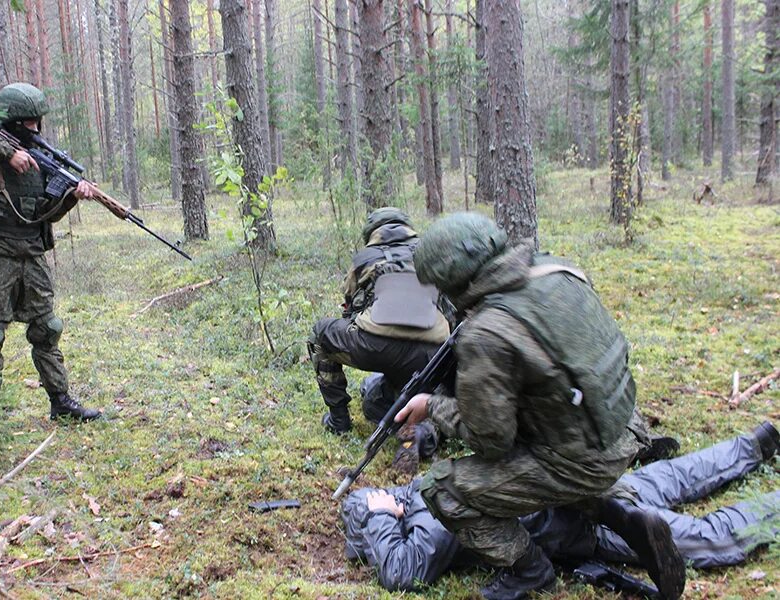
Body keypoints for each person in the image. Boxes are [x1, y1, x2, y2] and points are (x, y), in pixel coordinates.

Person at [393, 212, 684, 600]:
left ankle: (528, 570)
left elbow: (491, 440)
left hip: (579, 455)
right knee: (546, 454)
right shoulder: (557, 271)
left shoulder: (487, 332)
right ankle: (624, 515)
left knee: (444, 489)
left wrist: (433, 406)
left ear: (450, 281)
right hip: (624, 428)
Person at [341, 422, 779, 593]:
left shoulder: (433, 515)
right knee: (676, 476)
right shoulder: (424, 486)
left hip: (583, 525)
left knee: (709, 539)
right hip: (589, 485)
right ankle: (754, 445)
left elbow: (401, 570)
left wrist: (381, 519)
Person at [0, 82, 100, 421]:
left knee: (48, 329)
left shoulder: (41, 160)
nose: (34, 128)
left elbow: (45, 213)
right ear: (10, 123)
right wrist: (8, 154)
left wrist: (72, 196)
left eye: (37, 121)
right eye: (27, 122)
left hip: (32, 256)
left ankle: (61, 402)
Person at [308, 207, 450, 472]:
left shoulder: (365, 258)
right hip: (431, 353)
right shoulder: (433, 254)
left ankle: (339, 421)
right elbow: (452, 309)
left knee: (320, 335)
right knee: (411, 397)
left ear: (372, 233)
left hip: (375, 346)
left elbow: (350, 310)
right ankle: (421, 432)